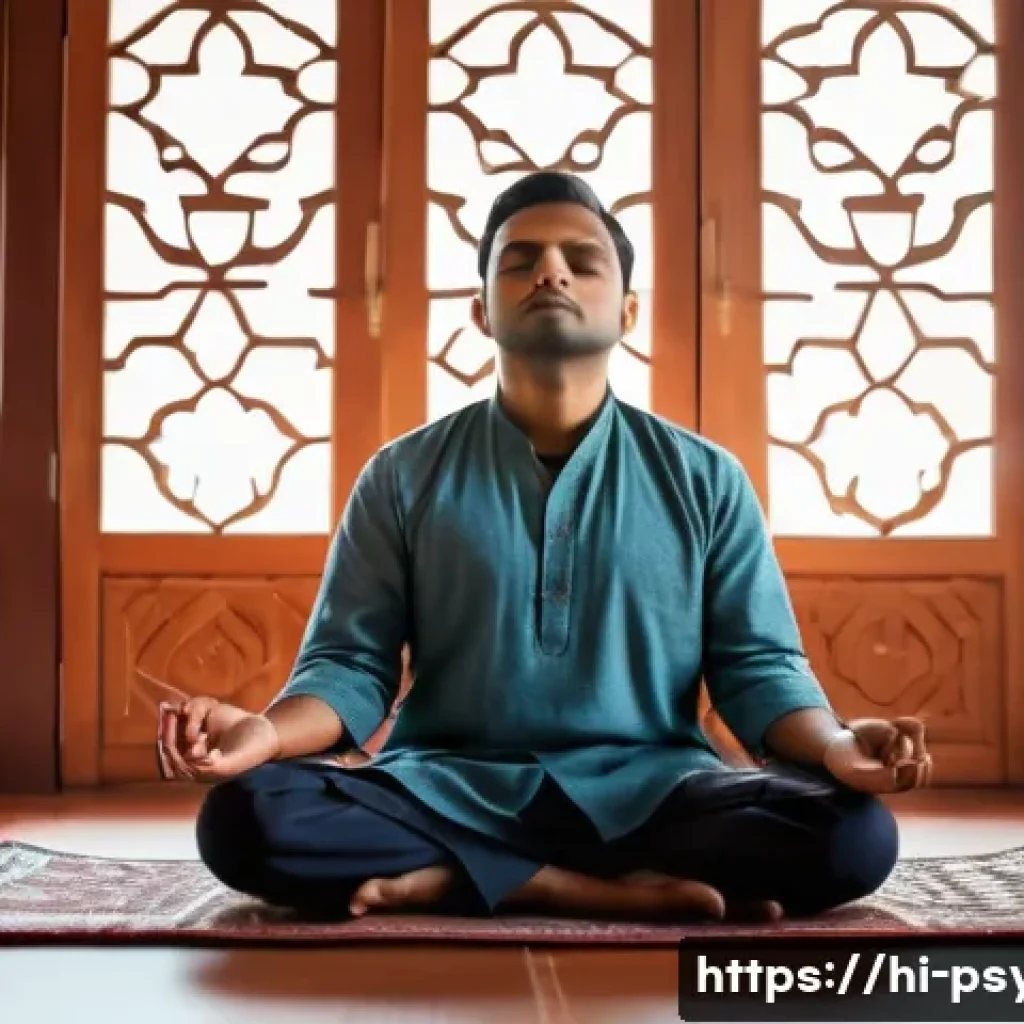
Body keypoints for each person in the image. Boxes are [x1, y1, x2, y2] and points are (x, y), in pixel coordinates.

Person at [158, 172, 932, 923]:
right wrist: (266, 732)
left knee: (854, 835)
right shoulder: (402, 475)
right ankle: (574, 887)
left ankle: (459, 879)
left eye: (582, 261)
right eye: (520, 261)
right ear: (481, 311)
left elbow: (757, 670)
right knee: (245, 817)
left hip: (655, 792)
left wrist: (837, 747)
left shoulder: (706, 478)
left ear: (627, 310)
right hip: (444, 787)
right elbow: (349, 666)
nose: (551, 274)